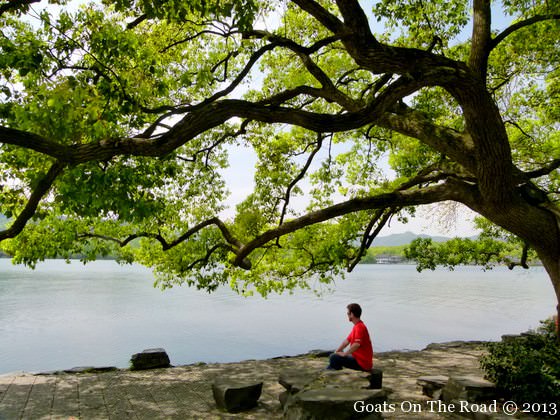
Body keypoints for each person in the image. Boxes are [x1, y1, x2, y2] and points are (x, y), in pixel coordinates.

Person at [327, 303, 373, 371]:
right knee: (335, 355)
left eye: (348, 313)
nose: (347, 315)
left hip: (362, 364)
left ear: (352, 314)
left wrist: (345, 354)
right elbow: (346, 341)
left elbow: (356, 344)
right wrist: (337, 351)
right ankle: (333, 369)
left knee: (333, 357)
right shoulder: (357, 326)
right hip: (359, 360)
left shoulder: (360, 327)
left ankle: (332, 371)